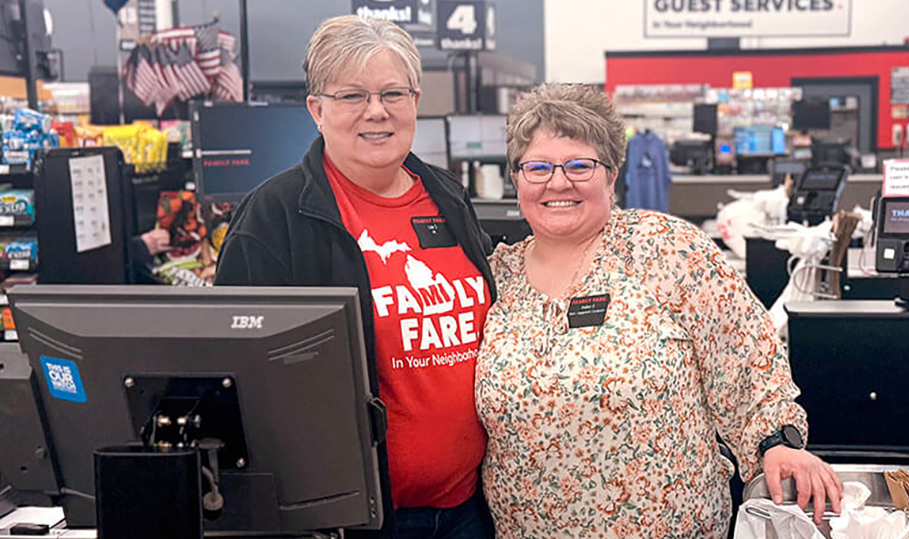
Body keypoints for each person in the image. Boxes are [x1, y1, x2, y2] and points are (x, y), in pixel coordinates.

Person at [474, 83, 841, 539]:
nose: (558, 182)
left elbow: (747, 358)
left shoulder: (665, 250)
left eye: (579, 165)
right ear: (516, 179)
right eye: (538, 167)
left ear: (611, 175)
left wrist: (775, 443)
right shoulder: (492, 277)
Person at [215, 15, 496, 539]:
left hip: (469, 511)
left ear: (415, 99)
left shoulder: (447, 195)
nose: (376, 111)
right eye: (352, 96)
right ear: (316, 110)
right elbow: (238, 385)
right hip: (353, 522)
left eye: (393, 92)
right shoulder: (273, 219)